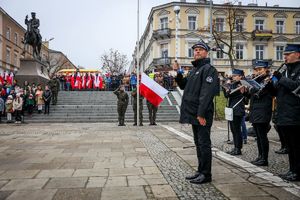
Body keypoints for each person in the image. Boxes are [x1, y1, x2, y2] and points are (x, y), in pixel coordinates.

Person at [175, 41, 218, 184]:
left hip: (202, 114)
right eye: (195, 50)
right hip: (194, 113)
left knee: (204, 144)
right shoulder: (194, 70)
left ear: (206, 52)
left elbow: (206, 94)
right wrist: (178, 72)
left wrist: (201, 114)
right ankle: (200, 171)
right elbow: (183, 85)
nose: (197, 52)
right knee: (198, 143)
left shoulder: (209, 69)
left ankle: (206, 174)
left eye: (200, 50)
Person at [273, 44, 300, 181]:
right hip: (284, 113)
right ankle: (292, 170)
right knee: (290, 146)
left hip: (295, 114)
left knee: (296, 146)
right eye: (284, 54)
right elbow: (278, 89)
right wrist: (271, 85)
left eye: (288, 54)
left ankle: (297, 172)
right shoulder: (286, 70)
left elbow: (297, 87)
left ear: (298, 54)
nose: (285, 57)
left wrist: (281, 79)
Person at [246, 60, 275, 166]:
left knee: (262, 136)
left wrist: (269, 83)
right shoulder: (256, 80)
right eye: (257, 70)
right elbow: (251, 96)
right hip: (255, 110)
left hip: (263, 110)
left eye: (260, 69)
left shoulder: (269, 80)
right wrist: (246, 90)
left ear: (266, 69)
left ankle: (265, 158)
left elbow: (273, 92)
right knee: (257, 135)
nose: (258, 72)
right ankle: (260, 156)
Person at [223, 69, 246, 156]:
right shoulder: (233, 84)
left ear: (240, 76)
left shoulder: (241, 85)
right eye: (233, 76)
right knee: (233, 130)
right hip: (232, 110)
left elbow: (232, 94)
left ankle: (238, 149)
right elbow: (227, 95)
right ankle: (236, 147)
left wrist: (228, 85)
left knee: (237, 130)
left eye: (235, 76)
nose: (233, 77)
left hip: (238, 110)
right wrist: (226, 85)